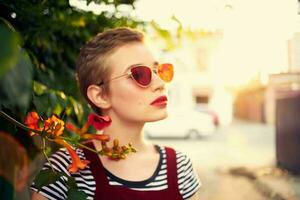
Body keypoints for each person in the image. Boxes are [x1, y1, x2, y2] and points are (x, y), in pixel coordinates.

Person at [31, 27, 201, 200]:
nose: (160, 83)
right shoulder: (62, 170)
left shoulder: (180, 167)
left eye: (158, 70)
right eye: (139, 74)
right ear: (100, 95)